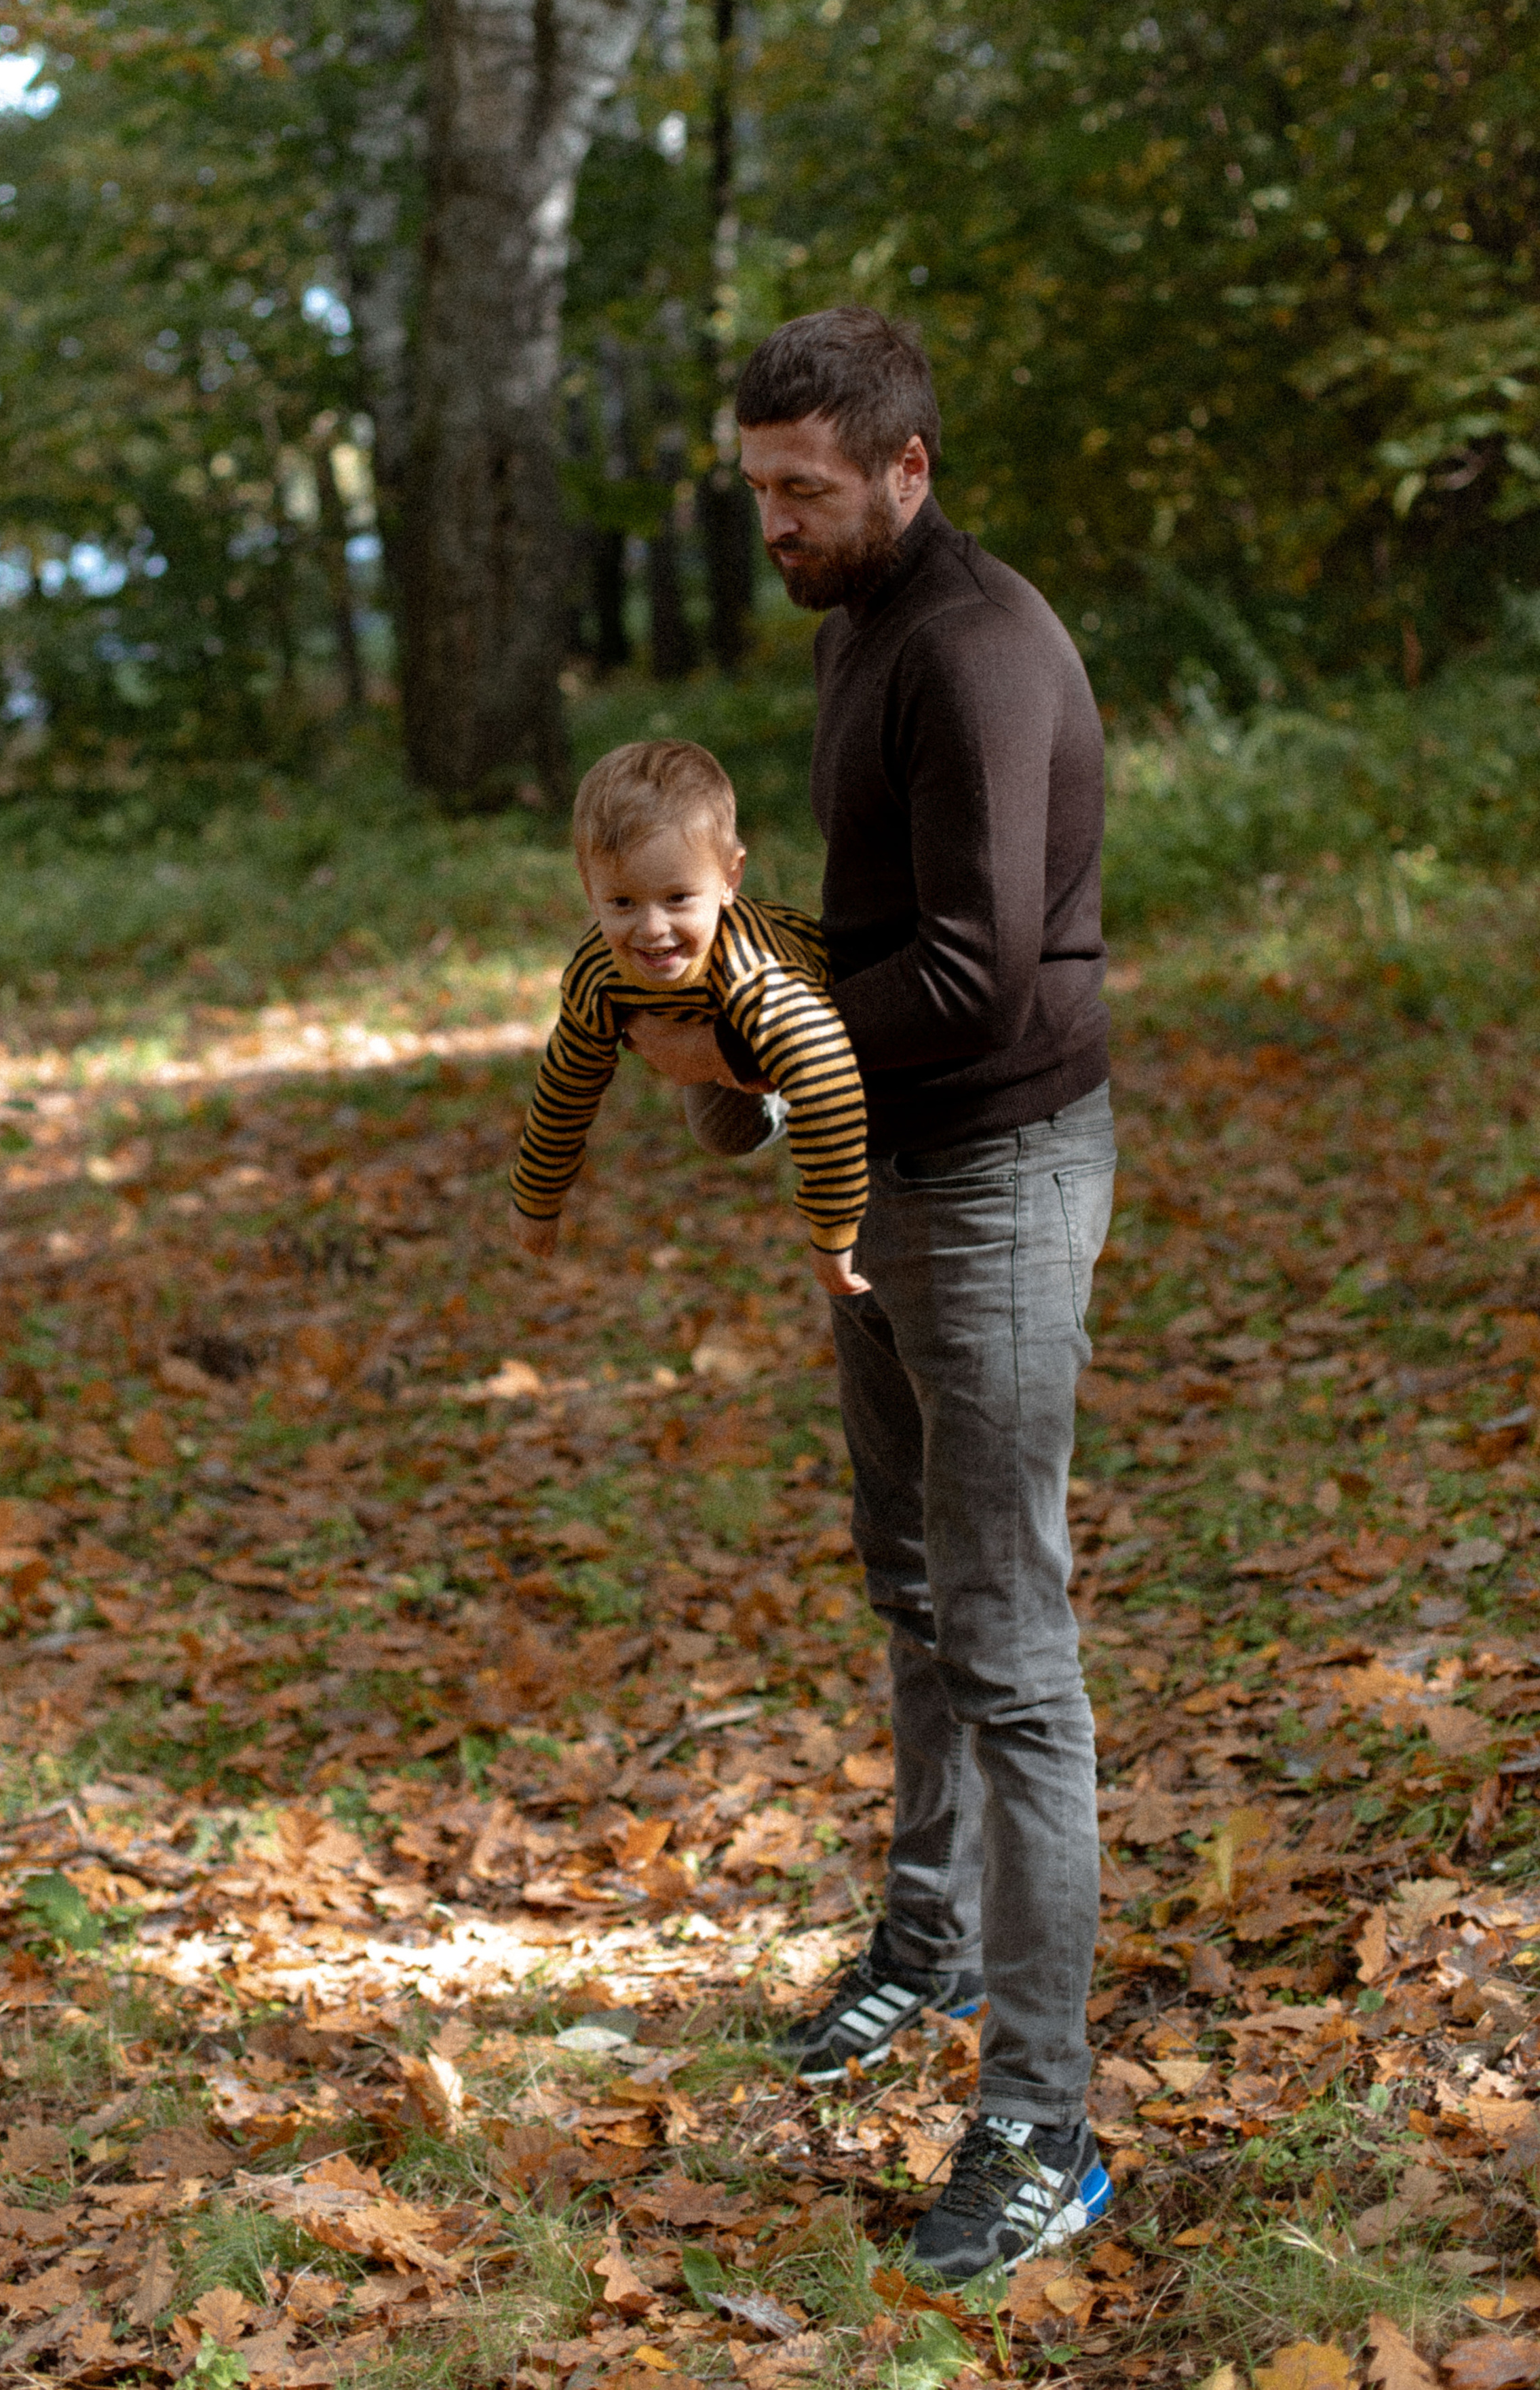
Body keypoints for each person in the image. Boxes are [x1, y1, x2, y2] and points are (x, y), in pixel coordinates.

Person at [623, 307, 1117, 2279]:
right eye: (754, 493)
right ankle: (921, 1949)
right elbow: (874, 934)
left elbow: (975, 982)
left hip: (994, 1178)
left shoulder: (976, 652)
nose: (774, 525)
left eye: (803, 491)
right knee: (911, 1590)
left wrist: (746, 1047)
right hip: (883, 1172)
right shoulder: (852, 630)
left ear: (906, 466)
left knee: (1005, 1638)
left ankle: (1046, 2126)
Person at [507, 737, 870, 1298]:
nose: (653, 930)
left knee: (821, 1094)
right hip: (708, 1018)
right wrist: (536, 1199)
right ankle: (762, 1094)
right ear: (588, 885)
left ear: (730, 879)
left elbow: (831, 1092)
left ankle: (780, 1088)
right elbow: (567, 1082)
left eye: (678, 898)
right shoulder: (597, 972)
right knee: (719, 1132)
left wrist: (833, 1235)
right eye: (623, 903)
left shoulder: (762, 976)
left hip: (825, 1037)